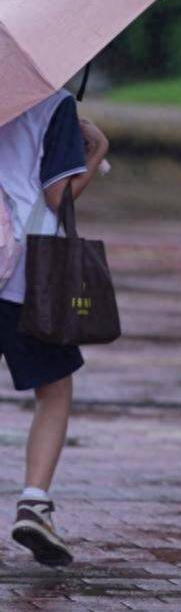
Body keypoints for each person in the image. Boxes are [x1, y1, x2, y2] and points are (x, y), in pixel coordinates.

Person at [1, 89, 109, 566]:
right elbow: (58, 194)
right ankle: (34, 502)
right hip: (30, 274)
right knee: (54, 390)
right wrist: (97, 151)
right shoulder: (52, 101)